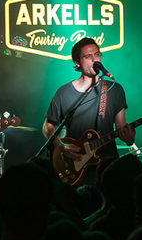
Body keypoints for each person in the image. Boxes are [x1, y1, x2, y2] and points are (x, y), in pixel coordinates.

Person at [42, 37, 135, 186]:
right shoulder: (64, 93)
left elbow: (121, 128)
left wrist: (129, 138)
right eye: (88, 56)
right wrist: (61, 147)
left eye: (97, 54)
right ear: (77, 62)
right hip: (76, 163)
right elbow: (48, 126)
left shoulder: (114, 89)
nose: (94, 59)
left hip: (107, 166)